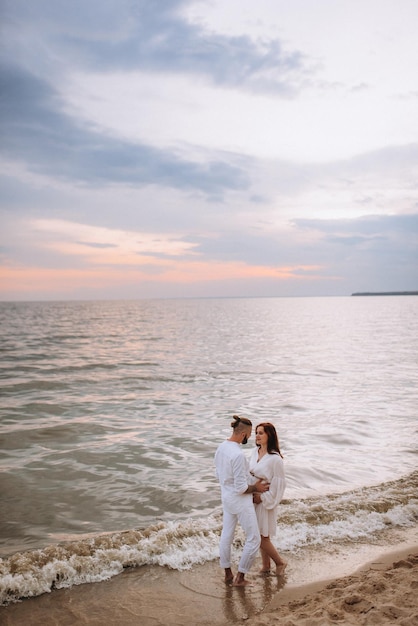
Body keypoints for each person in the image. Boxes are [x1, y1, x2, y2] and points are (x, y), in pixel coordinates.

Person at [215, 415, 269, 587]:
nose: (251, 437)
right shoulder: (238, 455)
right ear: (244, 434)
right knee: (254, 539)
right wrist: (257, 488)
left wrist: (249, 477)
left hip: (227, 498)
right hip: (240, 500)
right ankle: (240, 578)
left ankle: (228, 574)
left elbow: (220, 475)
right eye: (250, 434)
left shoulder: (221, 448)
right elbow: (241, 488)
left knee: (226, 536)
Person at [250, 422, 287, 576]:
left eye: (261, 433)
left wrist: (263, 498)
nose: (257, 436)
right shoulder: (254, 452)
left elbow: (279, 485)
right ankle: (266, 566)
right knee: (261, 534)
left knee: (261, 536)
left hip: (265, 500)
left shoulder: (275, 459)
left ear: (269, 435)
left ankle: (280, 563)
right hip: (252, 497)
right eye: (256, 432)